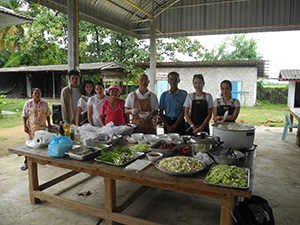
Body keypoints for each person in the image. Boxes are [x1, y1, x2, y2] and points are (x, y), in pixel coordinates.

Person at [21, 88, 52, 170]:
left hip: (42, 128)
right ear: (32, 95)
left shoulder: (44, 104)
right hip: (32, 128)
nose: (37, 95)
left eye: (39, 93)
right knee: (30, 145)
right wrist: (25, 126)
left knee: (41, 144)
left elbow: (48, 115)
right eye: (35, 93)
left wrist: (49, 124)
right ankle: (26, 162)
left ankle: (40, 159)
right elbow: (24, 116)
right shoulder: (28, 104)